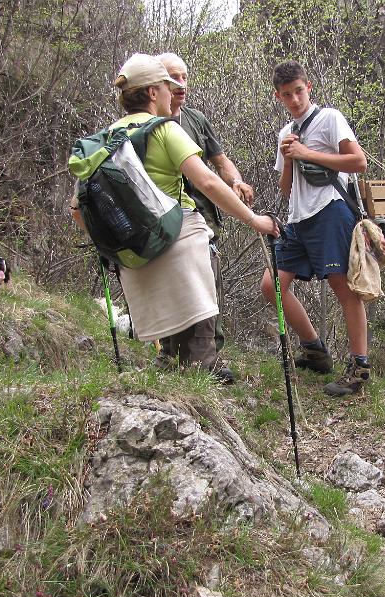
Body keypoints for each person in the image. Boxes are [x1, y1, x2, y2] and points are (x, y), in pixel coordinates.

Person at [70, 53, 278, 381]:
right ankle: (195, 411)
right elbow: (207, 181)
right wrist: (254, 220)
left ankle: (169, 394)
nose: (174, 91)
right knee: (198, 348)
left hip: (135, 255)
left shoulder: (105, 140)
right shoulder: (164, 130)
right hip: (180, 241)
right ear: (153, 92)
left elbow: (78, 209)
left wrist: (114, 247)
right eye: (168, 85)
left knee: (168, 352)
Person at [260, 60, 372, 397]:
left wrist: (309, 152)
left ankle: (359, 367)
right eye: (286, 95)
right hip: (297, 217)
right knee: (271, 285)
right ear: (278, 97)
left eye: (298, 91)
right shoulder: (285, 133)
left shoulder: (330, 118)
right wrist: (291, 157)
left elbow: (358, 162)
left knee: (343, 288)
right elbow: (285, 188)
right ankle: (315, 350)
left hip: (331, 211)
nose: (294, 99)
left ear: (308, 87)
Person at [156, 52, 253, 364]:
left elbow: (221, 162)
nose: (180, 84)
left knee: (207, 284)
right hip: (164, 217)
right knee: (172, 284)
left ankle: (211, 356)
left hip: (203, 217)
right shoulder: (151, 125)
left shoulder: (196, 120)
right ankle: (169, 353)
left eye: (184, 77)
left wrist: (236, 181)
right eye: (173, 78)